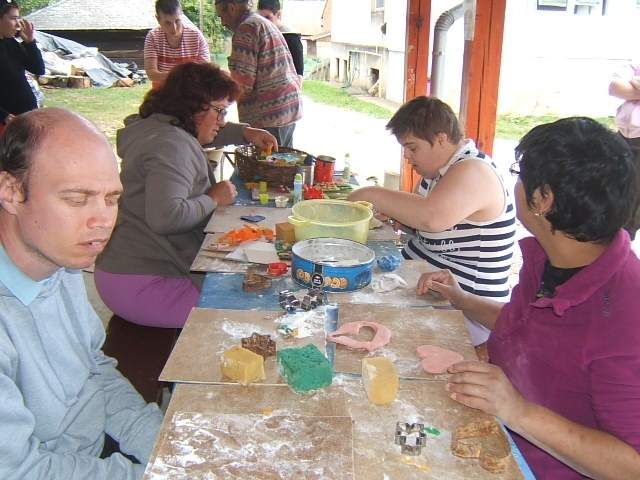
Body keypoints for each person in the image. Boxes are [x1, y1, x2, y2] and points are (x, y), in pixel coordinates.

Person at [417, 117, 640, 479]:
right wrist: (462, 298)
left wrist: (516, 410)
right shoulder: (553, 256)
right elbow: (531, 329)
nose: (516, 186)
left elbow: (632, 465)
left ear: (543, 198)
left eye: (522, 176)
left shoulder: (626, 316)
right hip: (497, 434)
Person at [0, 107, 163, 479]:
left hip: (90, 454)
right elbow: (20, 471)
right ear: (11, 191)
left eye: (111, 199)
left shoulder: (59, 259)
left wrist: (164, 444)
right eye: (76, 199)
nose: (102, 222)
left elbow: (93, 369)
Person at [94, 62, 277, 329]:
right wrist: (214, 199)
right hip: (143, 283)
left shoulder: (156, 127)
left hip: (125, 273)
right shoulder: (171, 144)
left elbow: (201, 132)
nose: (222, 121)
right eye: (220, 111)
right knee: (256, 307)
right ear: (194, 106)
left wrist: (245, 132)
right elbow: (167, 218)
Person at [348, 96, 516, 350]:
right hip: (425, 288)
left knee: (359, 323)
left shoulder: (474, 170)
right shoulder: (437, 172)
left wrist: (370, 193)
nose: (407, 157)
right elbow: (423, 222)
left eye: (413, 148)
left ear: (440, 139)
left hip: (466, 309)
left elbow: (432, 218)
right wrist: (401, 217)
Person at [215, 0, 302, 148]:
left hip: (269, 116)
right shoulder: (261, 22)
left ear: (232, 8)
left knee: (269, 161)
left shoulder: (247, 28)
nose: (223, 23)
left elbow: (241, 83)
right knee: (282, 160)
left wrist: (215, 108)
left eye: (222, 16)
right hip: (285, 110)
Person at [0, 0, 45, 135]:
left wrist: (30, 42)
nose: (18, 24)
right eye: (13, 18)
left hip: (25, 116)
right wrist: (3, 116)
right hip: (6, 122)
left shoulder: (11, 43)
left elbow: (38, 69)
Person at [144, 0, 211, 88]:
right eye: (168, 23)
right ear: (158, 20)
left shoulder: (196, 36)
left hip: (191, 92)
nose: (174, 28)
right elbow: (152, 74)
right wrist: (182, 75)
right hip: (162, 92)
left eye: (177, 21)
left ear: (182, 15)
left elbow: (206, 72)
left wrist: (175, 76)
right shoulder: (153, 37)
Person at [609, 59, 640, 240]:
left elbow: (628, 88)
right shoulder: (635, 60)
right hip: (624, 135)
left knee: (635, 197)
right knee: (616, 186)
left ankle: (626, 239)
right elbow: (615, 87)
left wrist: (635, 81)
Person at [257, 0, 304, 82]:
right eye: (261, 19)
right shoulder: (260, 35)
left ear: (278, 14)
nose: (264, 23)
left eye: (268, 18)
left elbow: (299, 72)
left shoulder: (291, 37)